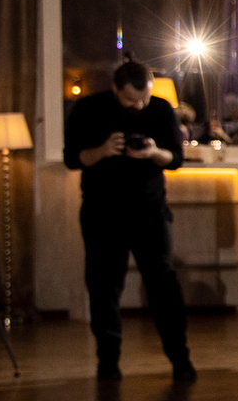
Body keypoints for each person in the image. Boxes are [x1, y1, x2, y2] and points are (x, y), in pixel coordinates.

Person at [63, 59, 194, 381]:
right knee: (103, 287)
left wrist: (153, 153)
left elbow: (175, 159)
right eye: (130, 100)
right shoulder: (89, 109)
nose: (138, 106)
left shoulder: (161, 110)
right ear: (115, 88)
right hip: (101, 212)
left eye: (143, 99)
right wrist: (103, 150)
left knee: (164, 285)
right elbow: (72, 158)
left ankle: (180, 358)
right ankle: (107, 361)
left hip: (149, 211)